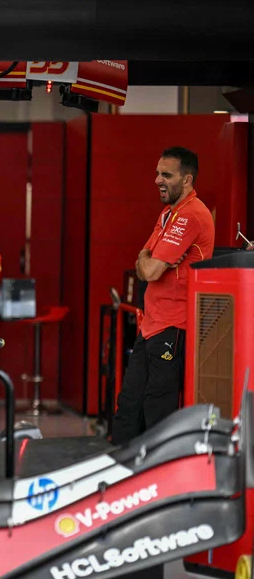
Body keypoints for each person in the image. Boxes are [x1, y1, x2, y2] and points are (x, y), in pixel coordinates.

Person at [111, 147, 215, 446]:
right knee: (129, 404)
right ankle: (117, 475)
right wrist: (148, 258)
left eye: (166, 175)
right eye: (157, 173)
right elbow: (143, 261)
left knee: (158, 409)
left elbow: (151, 269)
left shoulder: (191, 216)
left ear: (187, 179)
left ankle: (157, 482)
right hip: (151, 323)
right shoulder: (169, 213)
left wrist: (148, 258)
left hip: (173, 325)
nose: (158, 179)